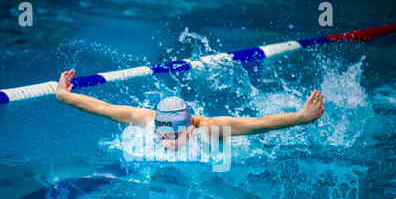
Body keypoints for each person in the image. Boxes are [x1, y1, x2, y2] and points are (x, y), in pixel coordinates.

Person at [56, 69, 324, 150]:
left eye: (173, 136)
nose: (165, 142)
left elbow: (260, 122)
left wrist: (302, 117)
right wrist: (64, 97)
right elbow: (104, 107)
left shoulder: (211, 130)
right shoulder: (148, 121)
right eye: (162, 134)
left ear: (188, 129)